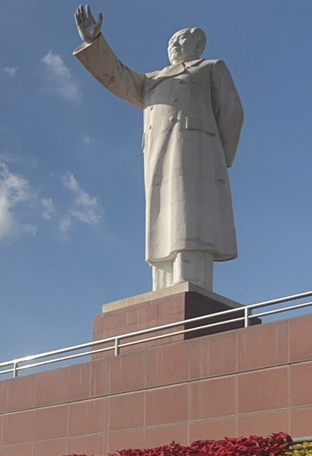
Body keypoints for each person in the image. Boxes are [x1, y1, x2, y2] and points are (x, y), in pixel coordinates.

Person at [73, 5, 244, 292]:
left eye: (181, 40)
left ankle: (192, 285)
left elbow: (232, 112)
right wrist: (94, 43)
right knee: (163, 216)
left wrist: (218, 157)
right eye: (170, 41)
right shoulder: (151, 80)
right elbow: (118, 76)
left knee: (192, 217)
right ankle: (163, 289)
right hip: (159, 153)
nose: (174, 45)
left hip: (197, 151)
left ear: (198, 45)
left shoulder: (210, 68)